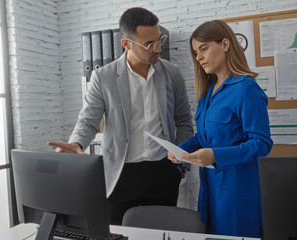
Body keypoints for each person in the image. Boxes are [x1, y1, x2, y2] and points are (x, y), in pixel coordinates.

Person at [47, 7, 193, 225]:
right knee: (117, 233)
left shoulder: (172, 73)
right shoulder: (103, 77)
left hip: (163, 171)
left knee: (160, 232)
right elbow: (88, 120)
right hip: (120, 173)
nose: (158, 48)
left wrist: (182, 162)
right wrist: (77, 143)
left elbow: (183, 121)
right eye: (149, 44)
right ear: (126, 44)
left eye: (159, 40)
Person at [168, 20, 273, 238]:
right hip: (209, 190)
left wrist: (215, 155)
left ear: (225, 44)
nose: (199, 57)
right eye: (196, 52)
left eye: (204, 48)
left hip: (238, 191)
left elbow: (261, 143)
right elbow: (206, 138)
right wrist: (182, 150)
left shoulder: (246, 88)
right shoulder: (208, 93)